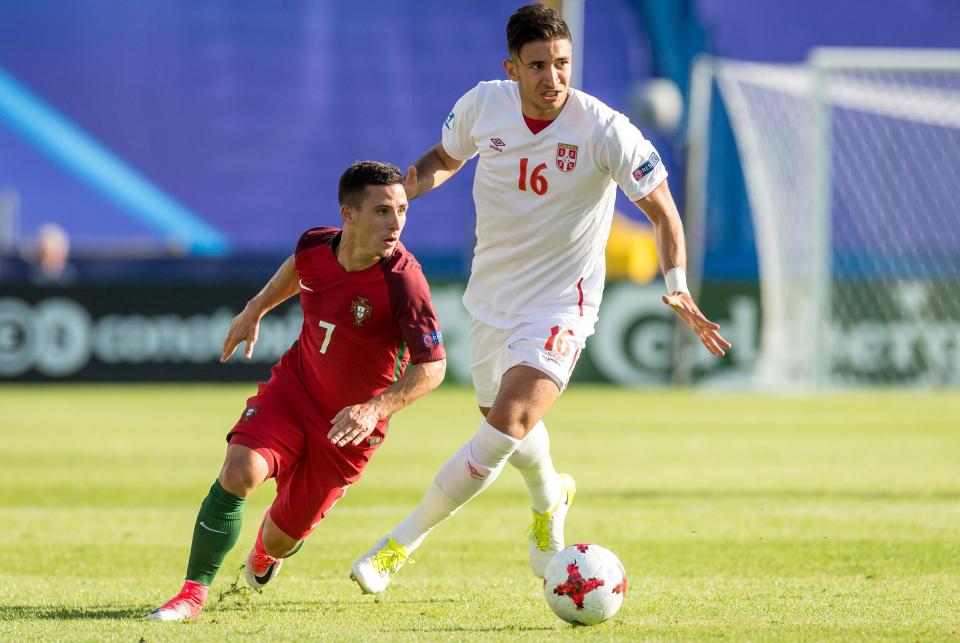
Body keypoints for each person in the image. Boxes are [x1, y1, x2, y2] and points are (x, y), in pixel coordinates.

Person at [349, 4, 731, 594]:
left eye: (562, 64)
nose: (553, 78)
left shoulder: (606, 130)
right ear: (512, 68)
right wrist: (402, 196)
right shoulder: (483, 104)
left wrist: (676, 284)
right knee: (507, 431)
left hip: (562, 304)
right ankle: (551, 498)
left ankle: (400, 543)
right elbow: (442, 160)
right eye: (538, 66)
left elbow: (663, 211)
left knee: (507, 424)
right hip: (492, 298)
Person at [148, 161, 447, 621]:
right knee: (239, 471)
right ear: (348, 215)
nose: (396, 224)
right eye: (382, 212)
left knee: (281, 538)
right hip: (295, 390)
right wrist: (256, 307)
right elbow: (298, 267)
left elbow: (433, 367)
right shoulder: (315, 244)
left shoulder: (404, 281)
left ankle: (267, 551)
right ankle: (191, 594)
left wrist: (374, 409)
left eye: (402, 211)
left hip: (349, 429)